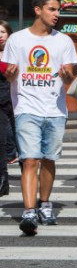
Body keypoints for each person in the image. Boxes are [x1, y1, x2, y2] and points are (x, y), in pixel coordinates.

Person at [2, 0, 77, 235]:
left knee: (48, 159)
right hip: (26, 107)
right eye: (52, 9)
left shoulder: (63, 41)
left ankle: (45, 203)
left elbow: (69, 72)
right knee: (30, 160)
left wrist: (69, 74)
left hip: (55, 109)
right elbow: (9, 71)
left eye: (58, 10)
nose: (56, 14)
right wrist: (10, 74)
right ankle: (29, 211)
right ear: (38, 10)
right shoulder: (18, 40)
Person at [0, 20, 13, 196]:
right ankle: (3, 178)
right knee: (1, 141)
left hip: (18, 100)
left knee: (18, 140)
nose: (0, 35)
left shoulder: (15, 52)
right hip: (0, 102)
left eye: (3, 32)